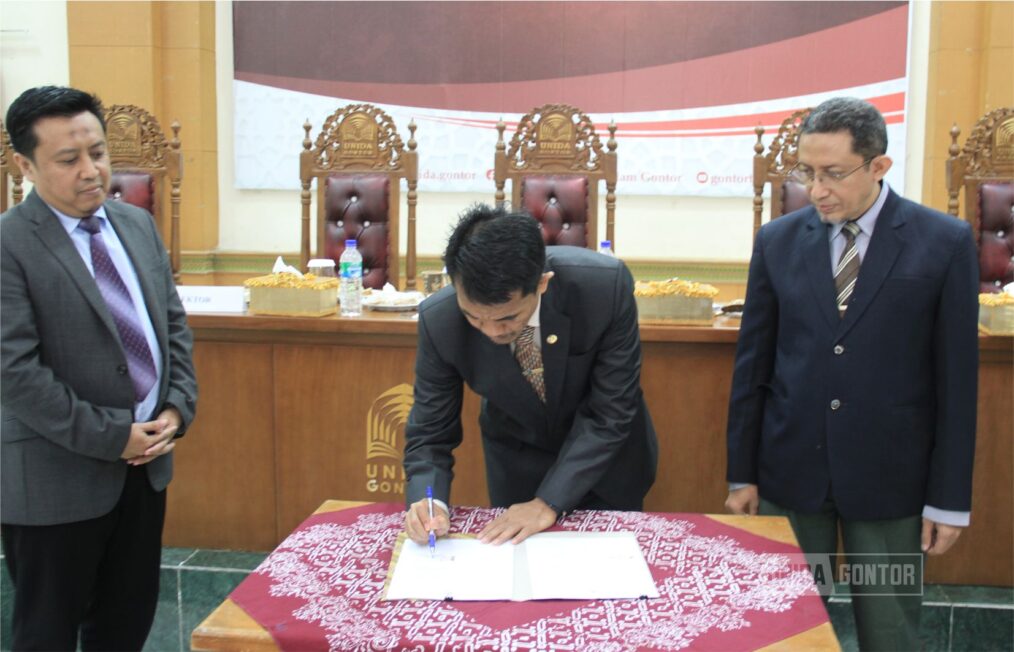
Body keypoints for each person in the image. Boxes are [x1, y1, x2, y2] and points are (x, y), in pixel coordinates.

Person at [725, 97, 978, 650]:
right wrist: (740, 473)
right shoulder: (778, 242)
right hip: (790, 472)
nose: (816, 190)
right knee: (784, 627)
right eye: (807, 173)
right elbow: (753, 369)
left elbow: (958, 386)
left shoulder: (944, 243)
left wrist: (949, 498)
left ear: (879, 166)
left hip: (892, 478)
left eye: (833, 174)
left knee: (890, 634)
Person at [1, 86, 198, 651]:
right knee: (47, 635)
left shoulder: (134, 225)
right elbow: (16, 374)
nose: (92, 171)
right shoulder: (9, 245)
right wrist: (116, 436)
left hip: (144, 472)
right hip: (54, 480)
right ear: (25, 164)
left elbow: (172, 327)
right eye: (68, 160)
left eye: (98, 152)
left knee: (124, 628)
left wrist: (176, 407)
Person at [403, 204, 658, 546]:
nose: (491, 331)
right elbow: (431, 431)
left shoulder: (603, 289)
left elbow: (610, 412)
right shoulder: (440, 320)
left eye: (507, 318)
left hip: (605, 469)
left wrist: (549, 502)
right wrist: (429, 500)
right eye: (474, 318)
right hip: (517, 471)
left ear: (542, 284)